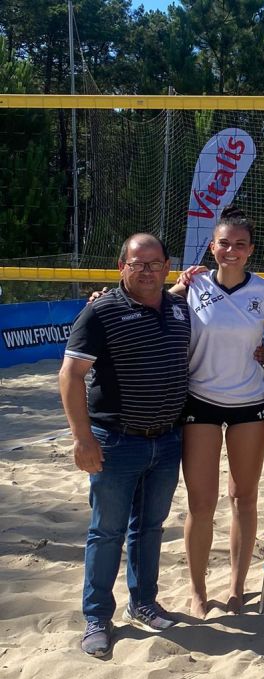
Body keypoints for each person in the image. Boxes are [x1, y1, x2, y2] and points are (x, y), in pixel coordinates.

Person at [59, 234, 191, 657]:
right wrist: (81, 438)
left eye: (155, 263)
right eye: (138, 263)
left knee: (149, 529)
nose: (147, 270)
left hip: (168, 440)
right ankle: (97, 617)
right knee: (107, 532)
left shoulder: (178, 308)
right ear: (122, 267)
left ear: (167, 267)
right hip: (115, 441)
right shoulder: (100, 311)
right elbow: (70, 375)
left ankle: (143, 603)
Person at [173, 208, 264, 618]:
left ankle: (238, 587)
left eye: (240, 244)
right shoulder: (192, 286)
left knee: (243, 497)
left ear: (251, 249)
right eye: (224, 243)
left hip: (249, 404)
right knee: (201, 503)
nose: (232, 251)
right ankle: (198, 590)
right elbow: (154, 311)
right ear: (212, 246)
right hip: (200, 401)